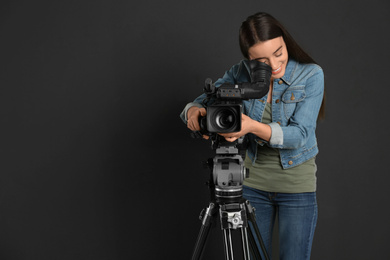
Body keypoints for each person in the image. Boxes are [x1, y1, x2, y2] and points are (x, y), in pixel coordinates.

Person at [180, 12, 325, 260]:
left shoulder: (311, 75)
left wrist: (251, 127)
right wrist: (192, 111)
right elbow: (202, 102)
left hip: (296, 187)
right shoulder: (240, 72)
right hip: (252, 186)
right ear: (249, 59)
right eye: (263, 60)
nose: (274, 64)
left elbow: (300, 135)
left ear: (285, 41)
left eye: (278, 52)